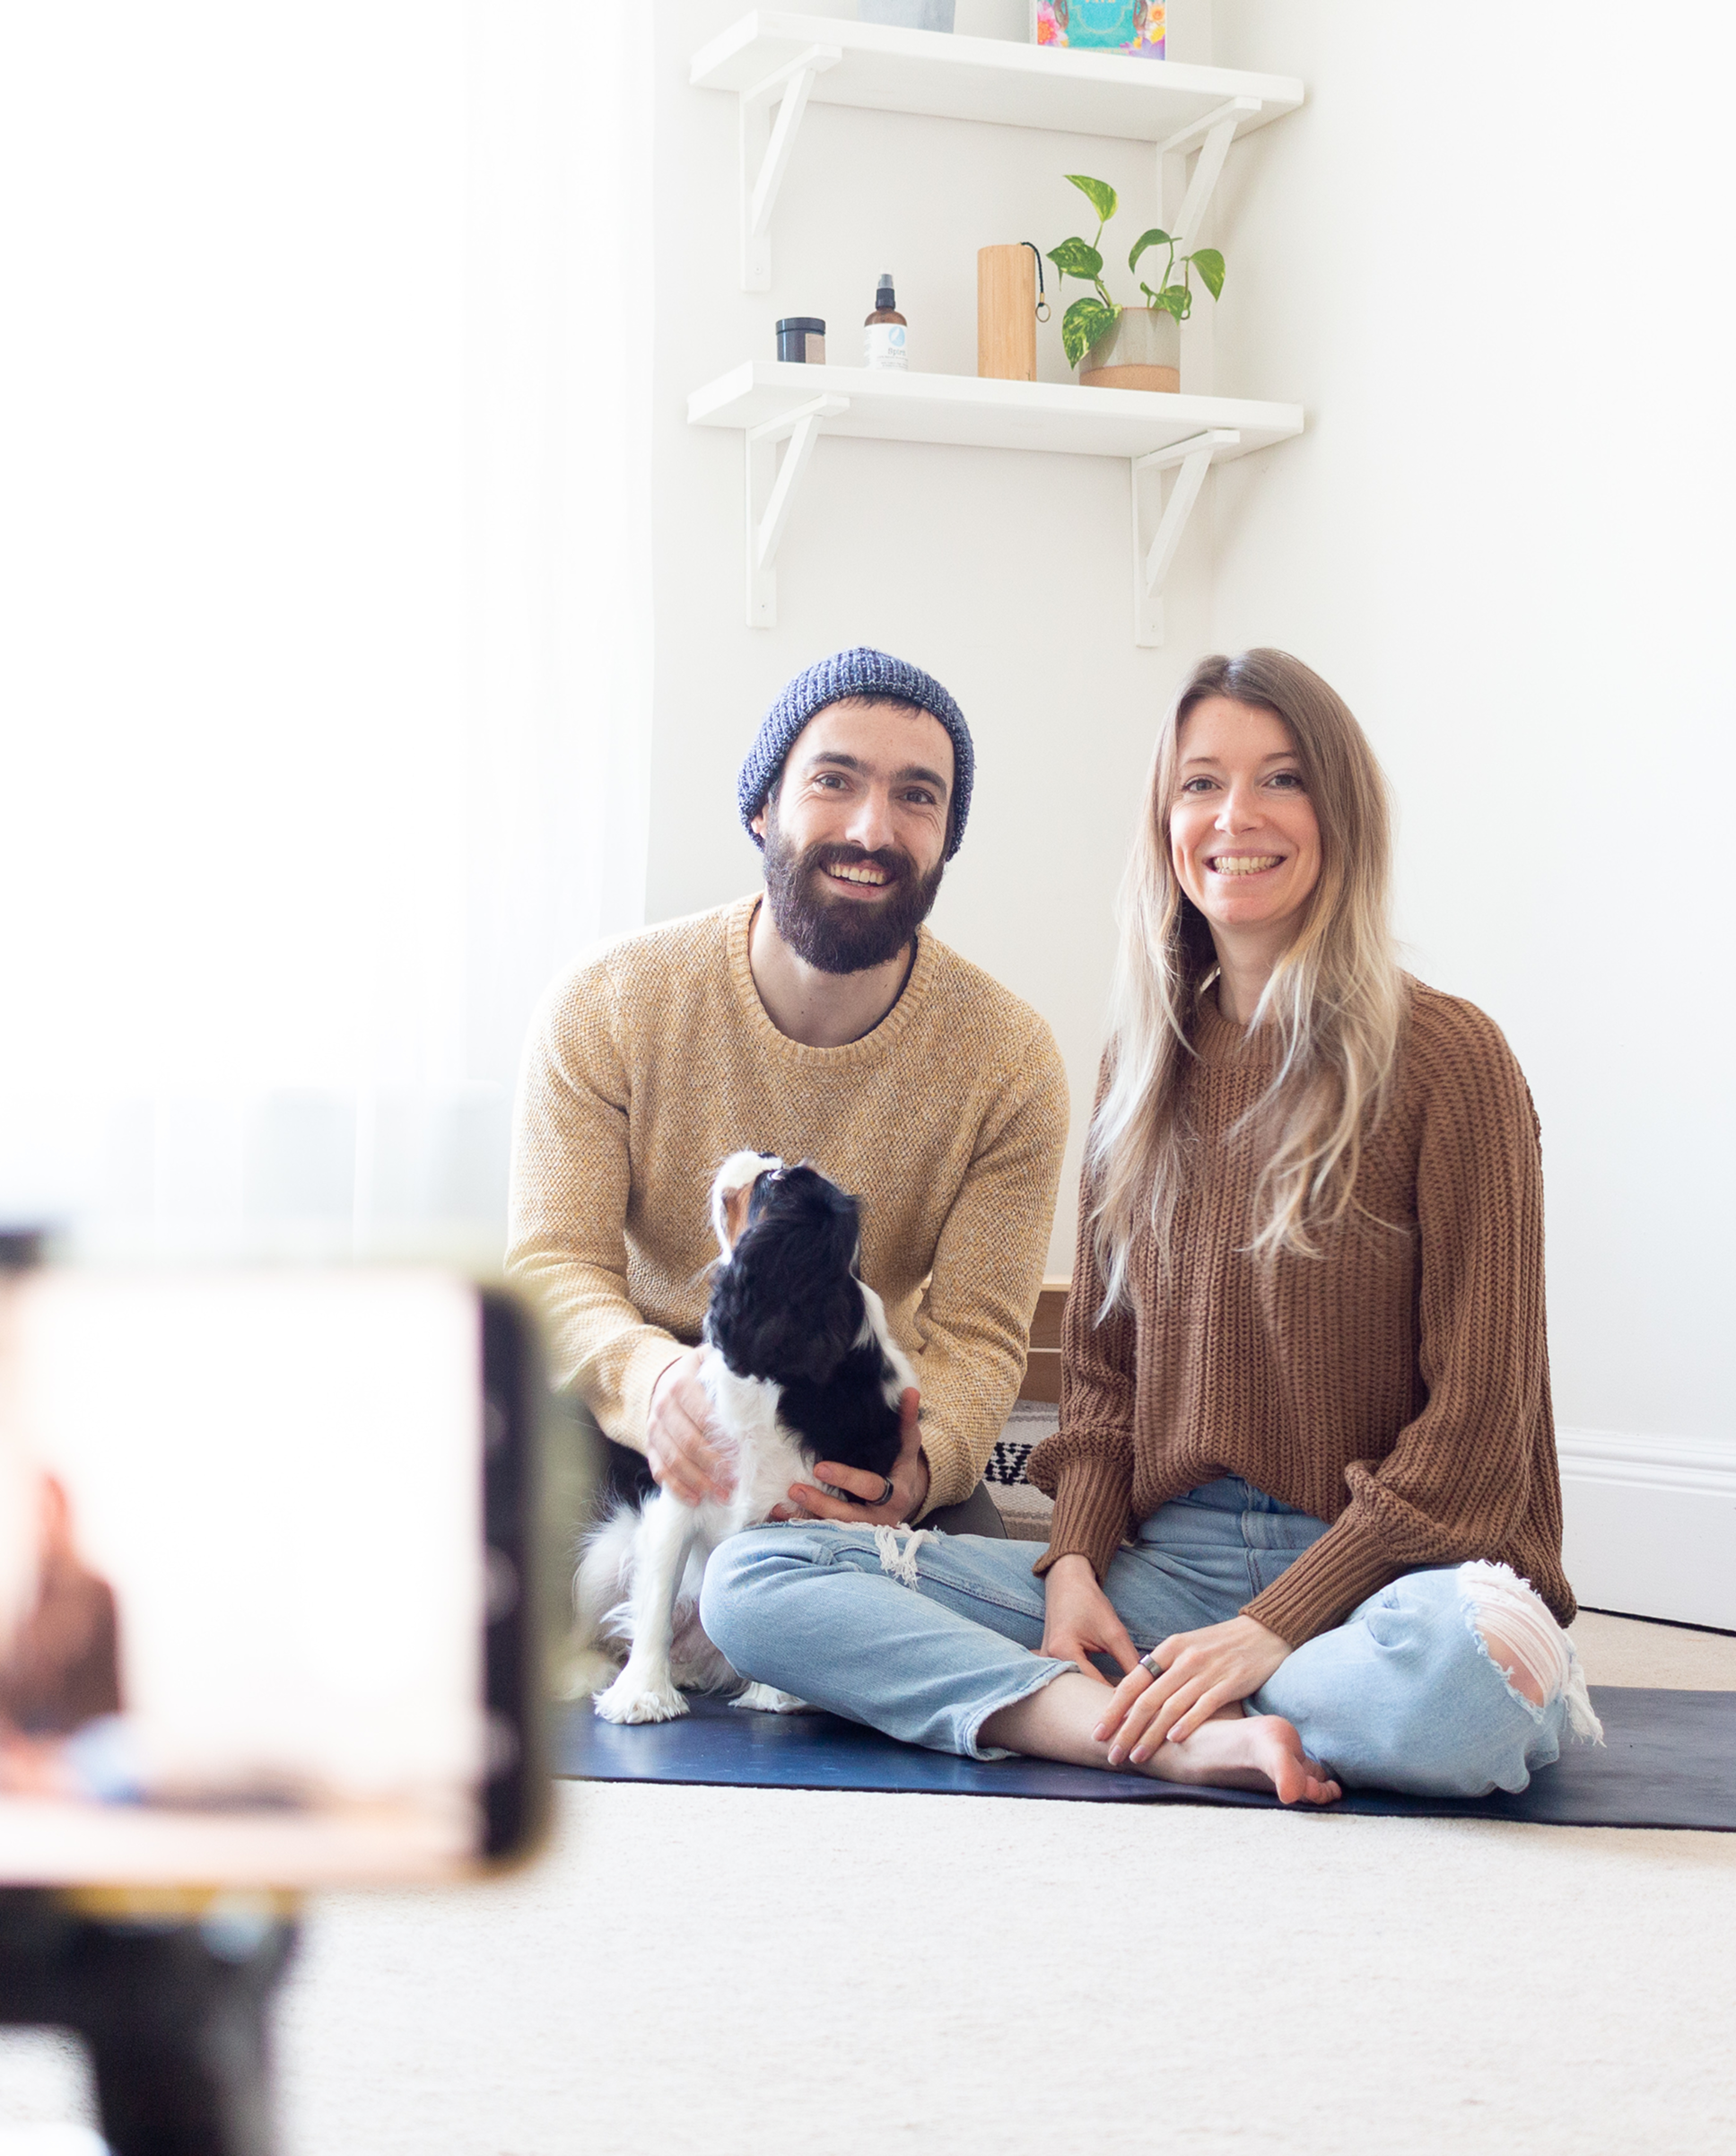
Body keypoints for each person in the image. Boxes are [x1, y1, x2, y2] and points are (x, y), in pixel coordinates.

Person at [700, 648, 1600, 1805]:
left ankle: (1201, 1697)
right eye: (1200, 783)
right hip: (1167, 1574)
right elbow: (1102, 1382)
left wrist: (1272, 1629)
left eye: (1282, 779)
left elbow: (1479, 1428)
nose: (1235, 816)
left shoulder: (1452, 1059)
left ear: (1342, 813)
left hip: (1394, 1574)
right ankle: (1163, 1733)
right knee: (755, 1584)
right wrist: (1075, 1562)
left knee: (1473, 1676)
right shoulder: (1141, 1070)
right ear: (1165, 822)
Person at [506, 648, 1068, 1542]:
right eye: (833, 780)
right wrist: (655, 1384)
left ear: (946, 840)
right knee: (491, 1581)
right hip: (629, 1410)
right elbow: (555, 1265)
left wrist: (921, 1466)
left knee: (958, 1616)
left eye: (917, 796)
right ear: (763, 807)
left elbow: (979, 1337)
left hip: (840, 1421)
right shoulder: (605, 1002)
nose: (872, 830)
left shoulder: (1012, 1061)